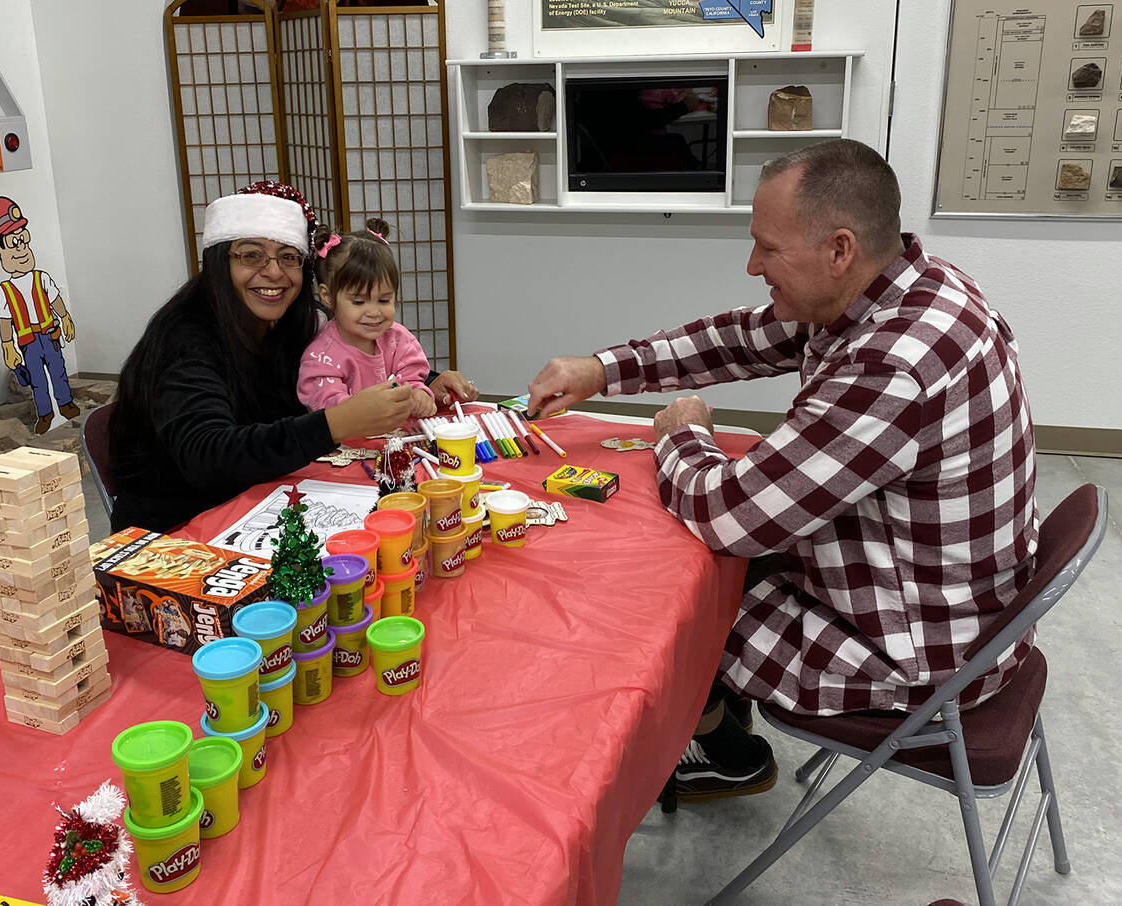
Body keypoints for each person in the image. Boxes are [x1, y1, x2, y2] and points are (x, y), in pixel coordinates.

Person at [526, 139, 1037, 802]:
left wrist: (683, 435)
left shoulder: (892, 366)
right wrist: (599, 370)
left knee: (652, 613)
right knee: (711, 570)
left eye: (768, 248)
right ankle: (718, 713)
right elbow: (739, 338)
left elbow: (730, 515)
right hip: (962, 608)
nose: (752, 265)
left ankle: (717, 745)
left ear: (839, 249)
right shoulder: (912, 287)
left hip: (916, 656)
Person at [108, 182, 418, 532]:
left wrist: (430, 382)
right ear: (218, 260)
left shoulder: (297, 322)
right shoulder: (185, 339)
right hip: (178, 530)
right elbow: (209, 457)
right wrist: (335, 423)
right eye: (251, 255)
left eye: (288, 257)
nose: (273, 272)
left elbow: (357, 351)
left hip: (266, 499)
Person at [297, 218, 437, 418]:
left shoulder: (398, 339)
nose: (373, 312)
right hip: (350, 446)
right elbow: (330, 413)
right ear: (327, 296)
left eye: (383, 300)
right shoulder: (321, 357)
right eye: (358, 302)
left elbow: (413, 378)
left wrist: (418, 394)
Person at [0, 195, 80, 435]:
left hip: (50, 335)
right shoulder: (4, 292)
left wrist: (65, 317)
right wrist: (8, 346)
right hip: (28, 343)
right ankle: (45, 413)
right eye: (14, 242)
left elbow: (54, 299)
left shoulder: (41, 278)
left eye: (24, 240)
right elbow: (5, 321)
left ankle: (65, 402)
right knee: (37, 379)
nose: (21, 249)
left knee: (58, 370)